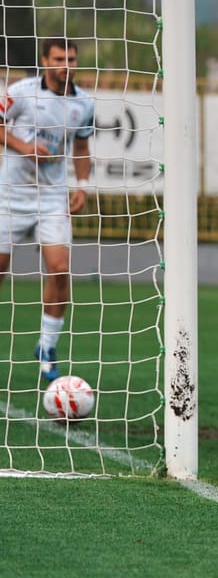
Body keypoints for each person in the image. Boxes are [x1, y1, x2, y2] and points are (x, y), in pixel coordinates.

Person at [0, 37, 95, 383]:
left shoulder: (84, 103)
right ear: (45, 60)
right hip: (9, 194)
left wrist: (81, 186)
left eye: (71, 59)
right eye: (58, 59)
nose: (66, 65)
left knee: (60, 268)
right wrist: (23, 146)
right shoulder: (21, 92)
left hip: (52, 197)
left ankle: (47, 346)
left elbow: (81, 148)